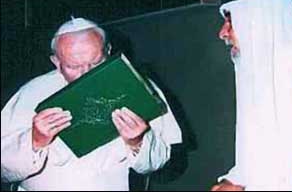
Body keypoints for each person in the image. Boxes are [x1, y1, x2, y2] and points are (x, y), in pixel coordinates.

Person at [1, 17, 182, 191]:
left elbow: (158, 162)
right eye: (73, 66)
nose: (85, 74)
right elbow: (4, 170)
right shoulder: (31, 92)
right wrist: (35, 141)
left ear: (108, 50)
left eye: (95, 63)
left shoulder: (138, 85)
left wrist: (138, 141)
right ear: (56, 62)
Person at [211, 0, 292, 191]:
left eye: (231, 21)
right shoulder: (258, 79)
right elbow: (259, 159)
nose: (223, 33)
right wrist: (233, 182)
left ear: (261, 19)